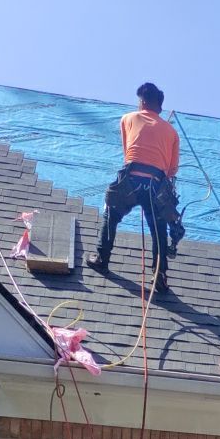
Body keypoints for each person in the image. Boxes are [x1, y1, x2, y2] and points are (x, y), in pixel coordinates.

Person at [87, 82, 183, 294]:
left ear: (141, 101)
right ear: (160, 106)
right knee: (159, 231)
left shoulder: (128, 119)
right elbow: (172, 170)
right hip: (155, 186)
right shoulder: (172, 132)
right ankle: (159, 275)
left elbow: (127, 151)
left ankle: (102, 258)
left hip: (130, 180)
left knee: (111, 213)